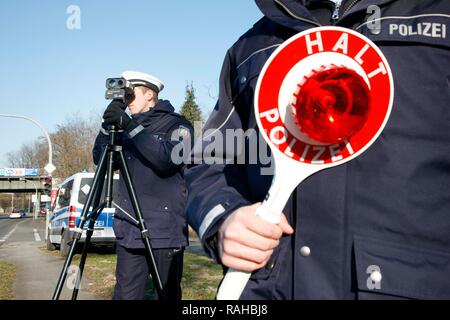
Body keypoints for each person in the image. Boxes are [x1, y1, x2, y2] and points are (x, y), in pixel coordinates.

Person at [185, 0, 450, 299]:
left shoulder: (438, 14)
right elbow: (211, 159)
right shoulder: (251, 46)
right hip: (264, 288)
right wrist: (223, 219)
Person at [93, 70, 193, 300]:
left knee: (166, 295)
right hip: (129, 227)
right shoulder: (125, 127)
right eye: (123, 98)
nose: (126, 102)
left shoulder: (178, 125)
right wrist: (105, 127)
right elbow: (102, 161)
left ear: (149, 94)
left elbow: (168, 160)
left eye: (130, 95)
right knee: (125, 296)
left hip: (164, 230)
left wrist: (130, 127)